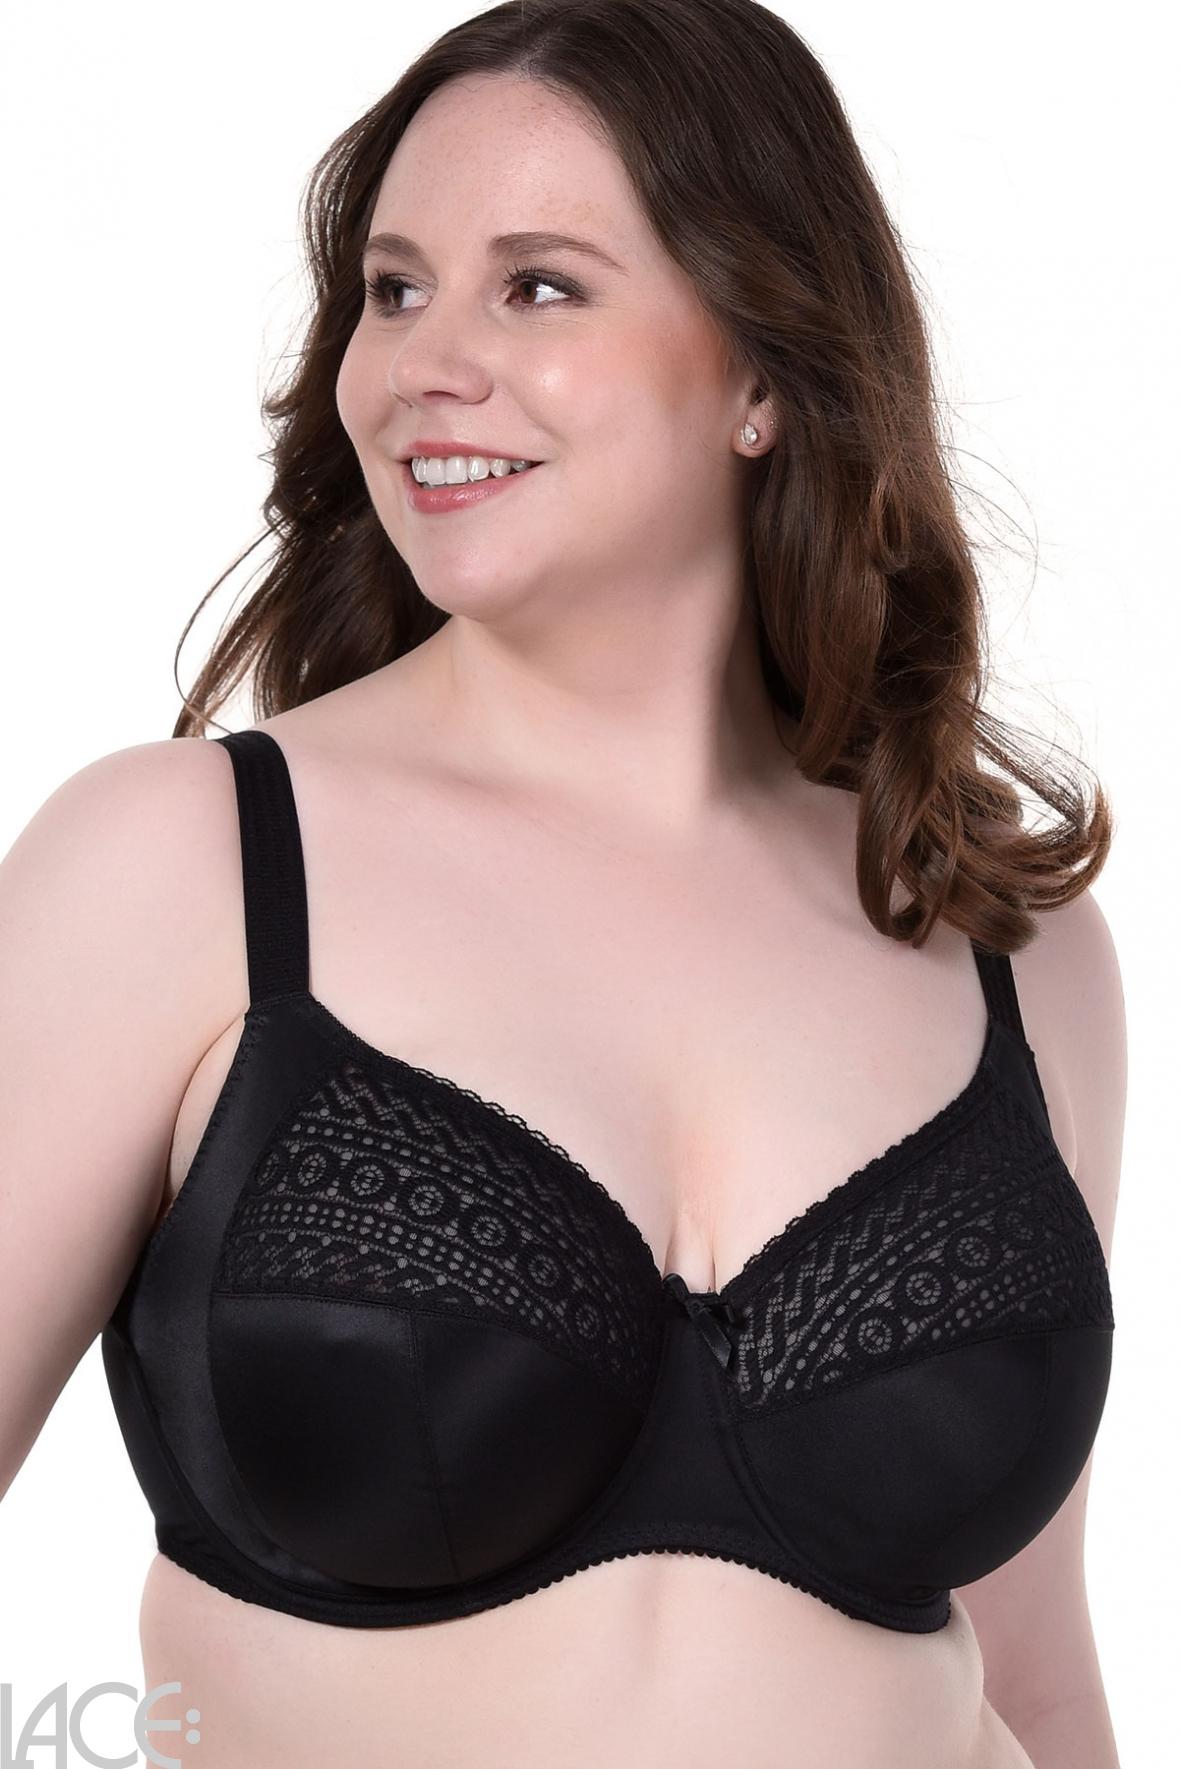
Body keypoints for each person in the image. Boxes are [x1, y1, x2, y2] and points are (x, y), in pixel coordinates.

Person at [0, 3, 1124, 1765]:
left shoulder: (1000, 932)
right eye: (393, 289)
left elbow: (1037, 1678)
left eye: (538, 286)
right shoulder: (181, 868)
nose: (422, 363)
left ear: (764, 375)